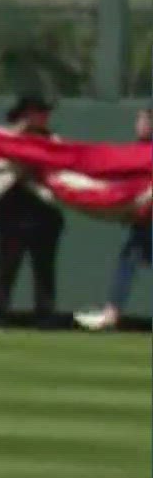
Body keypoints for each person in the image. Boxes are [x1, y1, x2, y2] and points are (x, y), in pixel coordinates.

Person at [0, 93, 65, 329]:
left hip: (43, 212)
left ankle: (45, 315)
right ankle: (0, 314)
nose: (44, 117)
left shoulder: (53, 141)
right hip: (13, 209)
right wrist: (19, 131)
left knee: (44, 267)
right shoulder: (9, 138)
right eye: (39, 112)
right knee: (7, 266)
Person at [75, 105, 152, 332]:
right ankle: (111, 313)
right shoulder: (137, 151)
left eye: (143, 120)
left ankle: (111, 313)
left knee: (128, 262)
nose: (138, 125)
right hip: (142, 223)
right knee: (127, 262)